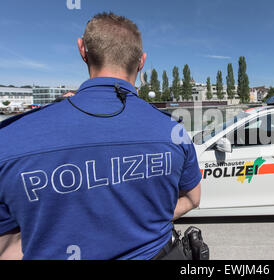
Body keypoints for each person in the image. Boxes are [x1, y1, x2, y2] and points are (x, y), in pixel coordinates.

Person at [0, 12, 201, 260]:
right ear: (142, 61)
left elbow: (7, 247)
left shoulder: (10, 139)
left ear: (82, 49)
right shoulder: (174, 131)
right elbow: (192, 198)